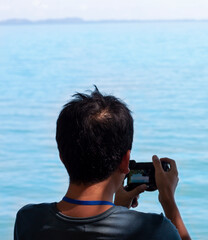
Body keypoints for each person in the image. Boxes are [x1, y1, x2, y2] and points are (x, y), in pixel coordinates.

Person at [14, 86, 191, 240]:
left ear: (62, 156)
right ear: (125, 161)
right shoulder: (154, 230)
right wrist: (168, 201)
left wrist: (119, 207)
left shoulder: (29, 220)